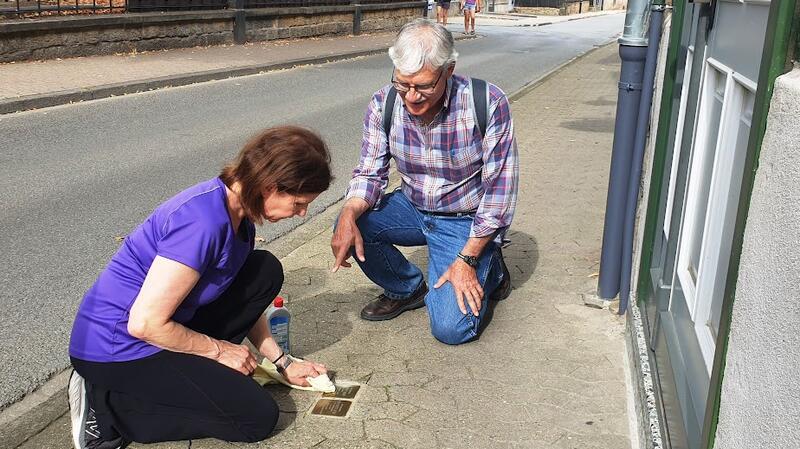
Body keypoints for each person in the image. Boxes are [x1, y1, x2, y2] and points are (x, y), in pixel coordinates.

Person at [68, 126, 332, 449]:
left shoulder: (242, 218)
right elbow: (144, 323)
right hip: (115, 347)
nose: (302, 213)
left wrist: (284, 363)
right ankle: (108, 409)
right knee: (256, 417)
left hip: (162, 326)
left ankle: (150, 390)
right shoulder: (203, 222)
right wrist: (220, 351)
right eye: (299, 203)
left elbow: (242, 305)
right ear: (269, 186)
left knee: (264, 270)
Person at [331, 19, 518, 346]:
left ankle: (491, 264)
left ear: (449, 70)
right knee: (350, 222)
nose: (411, 98)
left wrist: (468, 258)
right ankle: (407, 288)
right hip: (412, 207)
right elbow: (369, 173)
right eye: (403, 84)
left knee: (450, 329)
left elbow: (500, 191)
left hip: (465, 219)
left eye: (424, 86)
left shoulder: (486, 103)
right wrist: (347, 215)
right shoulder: (383, 103)